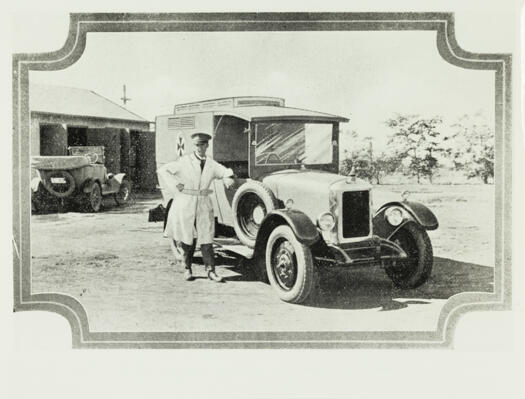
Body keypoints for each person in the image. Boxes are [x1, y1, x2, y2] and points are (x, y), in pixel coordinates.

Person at [157, 132, 234, 282]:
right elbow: (163, 170)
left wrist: (227, 178)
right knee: (187, 238)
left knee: (207, 238)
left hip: (203, 202)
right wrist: (175, 185)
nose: (200, 148)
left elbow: (224, 171)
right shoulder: (184, 161)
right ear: (194, 146)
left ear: (207, 145)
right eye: (197, 145)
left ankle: (211, 271)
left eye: (203, 144)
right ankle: (187, 269)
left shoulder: (211, 164)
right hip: (186, 202)